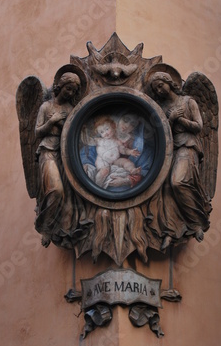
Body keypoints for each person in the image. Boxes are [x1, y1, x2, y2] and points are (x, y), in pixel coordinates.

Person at [150, 71, 211, 244]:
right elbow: (162, 134)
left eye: (161, 85)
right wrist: (170, 120)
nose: (159, 90)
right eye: (156, 89)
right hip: (170, 150)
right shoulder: (162, 109)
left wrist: (180, 120)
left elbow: (199, 126)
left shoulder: (188, 101)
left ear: (169, 82)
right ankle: (171, 230)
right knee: (166, 187)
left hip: (187, 146)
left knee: (178, 182)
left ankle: (196, 222)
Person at [34, 72, 81, 246]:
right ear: (60, 86)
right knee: (56, 190)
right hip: (47, 151)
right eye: (68, 88)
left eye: (73, 91)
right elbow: (37, 132)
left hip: (66, 155)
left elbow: (74, 132)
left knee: (69, 197)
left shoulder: (70, 109)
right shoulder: (46, 107)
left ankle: (64, 232)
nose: (69, 93)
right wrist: (52, 121)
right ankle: (46, 226)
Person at [81, 111, 153, 191]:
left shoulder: (142, 147)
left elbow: (147, 173)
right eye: (125, 120)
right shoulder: (102, 137)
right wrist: (85, 165)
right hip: (103, 167)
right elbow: (87, 153)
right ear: (118, 117)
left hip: (122, 189)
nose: (127, 126)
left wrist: (127, 180)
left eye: (132, 124)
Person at [91, 115, 141, 187]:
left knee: (126, 161)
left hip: (115, 160)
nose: (105, 133)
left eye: (107, 129)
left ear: (113, 127)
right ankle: (98, 186)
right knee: (104, 172)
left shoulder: (117, 141)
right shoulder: (99, 140)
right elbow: (89, 141)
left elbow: (123, 150)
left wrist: (130, 152)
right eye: (102, 132)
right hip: (103, 161)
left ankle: (132, 170)